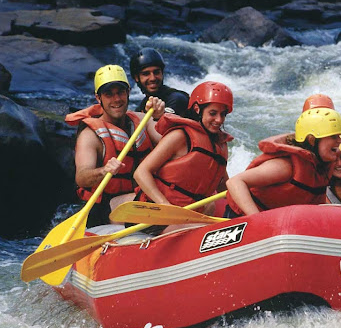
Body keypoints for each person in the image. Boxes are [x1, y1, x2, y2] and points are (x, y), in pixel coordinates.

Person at [65, 64, 165, 227]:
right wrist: (104, 170)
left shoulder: (142, 120)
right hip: (106, 207)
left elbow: (172, 143)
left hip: (144, 194)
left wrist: (161, 118)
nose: (116, 99)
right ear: (99, 98)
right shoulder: (90, 136)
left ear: (128, 92)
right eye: (109, 94)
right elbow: (81, 177)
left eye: (120, 92)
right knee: (146, 203)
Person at [225, 108, 341, 217]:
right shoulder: (286, 166)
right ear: (312, 140)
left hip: (278, 223)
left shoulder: (321, 167)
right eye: (333, 137)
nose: (340, 141)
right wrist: (257, 219)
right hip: (241, 219)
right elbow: (235, 182)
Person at [133, 81, 233, 210]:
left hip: (191, 214)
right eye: (213, 113)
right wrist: (164, 205)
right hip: (156, 211)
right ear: (198, 109)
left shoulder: (220, 146)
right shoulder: (180, 136)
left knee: (211, 205)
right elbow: (141, 173)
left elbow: (223, 187)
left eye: (223, 114)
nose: (219, 120)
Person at [130, 48, 191, 118]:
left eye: (156, 72)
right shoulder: (141, 106)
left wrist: (159, 116)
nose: (152, 78)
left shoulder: (177, 99)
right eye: (146, 74)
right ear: (136, 78)